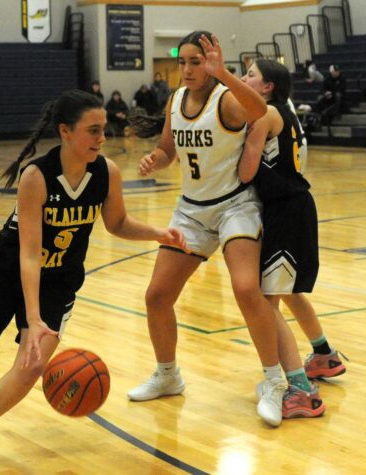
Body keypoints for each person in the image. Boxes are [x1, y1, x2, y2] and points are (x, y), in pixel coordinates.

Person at [0, 89, 186, 475]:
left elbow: (117, 224)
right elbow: (29, 254)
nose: (102, 138)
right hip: (8, 273)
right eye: (93, 130)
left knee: (30, 366)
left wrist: (158, 233)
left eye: (104, 130)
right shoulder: (37, 176)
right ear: (65, 131)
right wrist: (32, 317)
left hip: (59, 281)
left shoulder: (106, 173)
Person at [128, 31, 288, 427]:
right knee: (156, 296)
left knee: (246, 289)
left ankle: (274, 382)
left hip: (235, 206)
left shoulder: (228, 100)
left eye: (195, 62)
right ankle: (168, 376)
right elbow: (168, 149)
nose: (186, 69)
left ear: (211, 62)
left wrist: (225, 73)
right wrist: (155, 159)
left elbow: (259, 109)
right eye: (182, 62)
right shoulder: (176, 100)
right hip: (192, 212)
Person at [239, 59, 350, 417]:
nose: (244, 79)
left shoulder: (267, 115)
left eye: (251, 75)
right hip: (297, 207)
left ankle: (301, 390)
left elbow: (245, 172)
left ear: (268, 86)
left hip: (285, 211)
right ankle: (323, 355)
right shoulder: (286, 112)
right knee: (288, 293)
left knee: (266, 302)